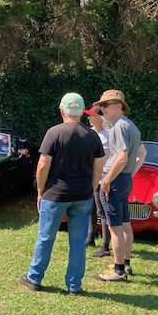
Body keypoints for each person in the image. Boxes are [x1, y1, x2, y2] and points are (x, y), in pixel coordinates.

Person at [20, 93, 104, 295]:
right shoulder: (93, 136)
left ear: (62, 111)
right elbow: (99, 169)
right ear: (83, 113)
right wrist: (91, 190)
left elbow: (42, 166)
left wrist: (40, 191)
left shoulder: (54, 133)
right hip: (82, 195)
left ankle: (34, 278)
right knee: (78, 242)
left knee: (46, 237)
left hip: (55, 195)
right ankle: (74, 285)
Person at [92, 90, 146, 281]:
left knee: (115, 226)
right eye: (101, 105)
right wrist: (130, 173)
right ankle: (125, 262)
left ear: (119, 106)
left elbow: (121, 157)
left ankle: (118, 270)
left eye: (106, 105)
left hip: (114, 180)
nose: (102, 109)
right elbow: (142, 153)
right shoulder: (131, 126)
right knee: (124, 223)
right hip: (123, 180)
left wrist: (106, 180)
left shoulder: (119, 127)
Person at [83, 106, 112, 257]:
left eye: (92, 116)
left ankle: (105, 246)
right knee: (91, 208)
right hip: (92, 177)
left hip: (103, 179)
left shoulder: (108, 136)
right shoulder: (90, 133)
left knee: (102, 211)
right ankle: (90, 237)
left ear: (100, 118)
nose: (89, 118)